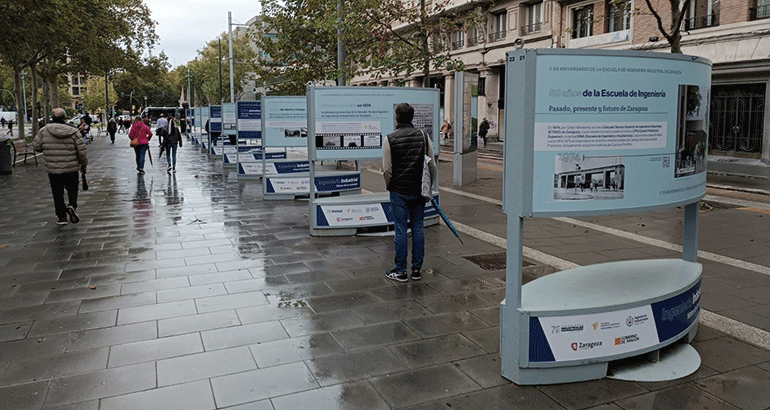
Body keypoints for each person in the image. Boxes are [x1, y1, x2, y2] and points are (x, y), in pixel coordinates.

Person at [382, 103, 436, 282]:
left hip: (399, 191)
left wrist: (390, 186)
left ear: (397, 117)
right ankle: (416, 270)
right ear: (412, 117)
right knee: (418, 228)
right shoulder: (423, 136)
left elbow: (386, 169)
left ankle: (400, 271)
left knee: (400, 230)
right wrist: (429, 186)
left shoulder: (390, 138)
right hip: (418, 190)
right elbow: (432, 165)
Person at [32, 108, 88, 226]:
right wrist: (84, 165)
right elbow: (82, 151)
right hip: (71, 168)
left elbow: (36, 147)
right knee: (72, 190)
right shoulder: (74, 131)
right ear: (65, 117)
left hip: (53, 169)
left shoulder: (44, 131)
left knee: (57, 193)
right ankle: (72, 205)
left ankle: (62, 217)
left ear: (52, 117)